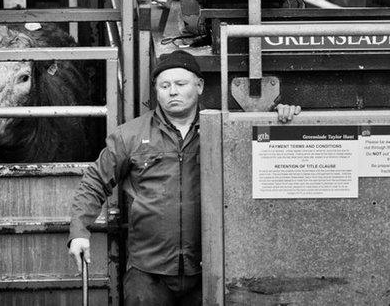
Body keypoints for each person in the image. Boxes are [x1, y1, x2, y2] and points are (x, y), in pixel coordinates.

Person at [67, 50, 300, 305]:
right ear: (156, 90)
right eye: (164, 85)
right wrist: (79, 231)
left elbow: (263, 151)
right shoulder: (130, 136)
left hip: (209, 270)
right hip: (148, 274)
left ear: (199, 86)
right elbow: (94, 182)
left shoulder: (224, 130)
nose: (172, 92)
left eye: (180, 84)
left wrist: (281, 119)